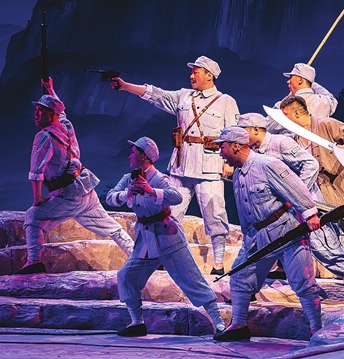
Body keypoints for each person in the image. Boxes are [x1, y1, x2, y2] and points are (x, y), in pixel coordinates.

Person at [111, 56, 239, 275]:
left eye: (196, 71)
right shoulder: (184, 96)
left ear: (209, 75)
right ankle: (163, 258)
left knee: (215, 214)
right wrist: (125, 86)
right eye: (192, 71)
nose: (191, 75)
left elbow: (234, 133)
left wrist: (230, 163)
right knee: (169, 214)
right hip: (181, 165)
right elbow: (156, 95)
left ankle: (218, 263)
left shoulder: (226, 101)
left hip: (210, 167)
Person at [237, 112, 344, 308]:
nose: (240, 136)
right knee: (260, 250)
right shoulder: (253, 153)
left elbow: (311, 164)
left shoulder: (282, 143)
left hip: (303, 208)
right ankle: (246, 292)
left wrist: (296, 194)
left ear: (256, 130)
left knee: (326, 249)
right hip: (275, 214)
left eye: (243, 131)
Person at [106, 137, 225, 337]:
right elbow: (111, 197)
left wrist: (150, 190)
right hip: (145, 241)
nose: (129, 156)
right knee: (126, 275)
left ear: (144, 155)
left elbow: (176, 197)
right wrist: (126, 193)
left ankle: (220, 324)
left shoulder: (160, 178)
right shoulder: (128, 179)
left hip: (168, 237)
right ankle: (137, 322)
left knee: (192, 279)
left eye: (133, 152)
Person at [213, 126, 323, 341]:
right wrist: (248, 236)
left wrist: (310, 214)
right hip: (258, 236)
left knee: (303, 282)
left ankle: (317, 329)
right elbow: (244, 208)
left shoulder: (268, 164)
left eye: (222, 147)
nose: (220, 152)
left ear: (235, 146)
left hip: (286, 231)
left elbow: (295, 187)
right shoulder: (239, 173)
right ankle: (238, 325)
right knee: (240, 276)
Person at [17, 78, 134, 275]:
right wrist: (51, 89)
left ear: (51, 114)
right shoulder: (66, 126)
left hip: (68, 195)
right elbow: (62, 112)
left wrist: (37, 198)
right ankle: (140, 256)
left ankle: (34, 261)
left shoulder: (44, 136)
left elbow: (36, 172)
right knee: (111, 228)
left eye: (41, 111)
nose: (36, 114)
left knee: (33, 216)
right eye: (36, 110)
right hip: (85, 189)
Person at [279, 95, 344, 286]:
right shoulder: (293, 138)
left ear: (296, 113)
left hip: (340, 190)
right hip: (315, 195)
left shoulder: (325, 124)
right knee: (315, 234)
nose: (283, 119)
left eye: (285, 115)